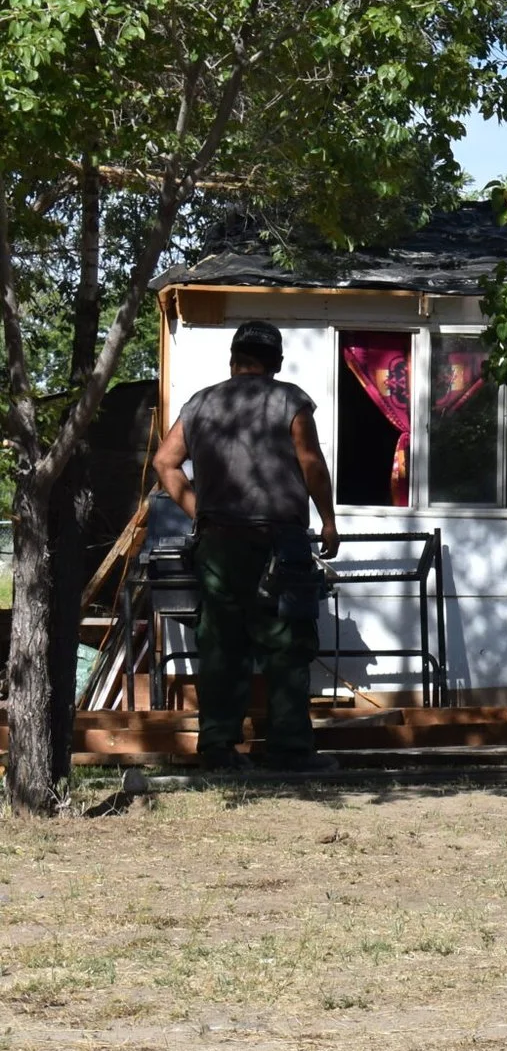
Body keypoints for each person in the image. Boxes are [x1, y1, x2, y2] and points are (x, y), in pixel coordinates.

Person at [151, 321, 342, 771]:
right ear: (275, 362)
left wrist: (198, 510)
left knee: (221, 644)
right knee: (285, 643)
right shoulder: (289, 400)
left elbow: (165, 461)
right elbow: (311, 463)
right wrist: (329, 521)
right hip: (277, 540)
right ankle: (291, 752)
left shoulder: (200, 403)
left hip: (218, 544)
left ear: (233, 359)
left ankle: (218, 749)